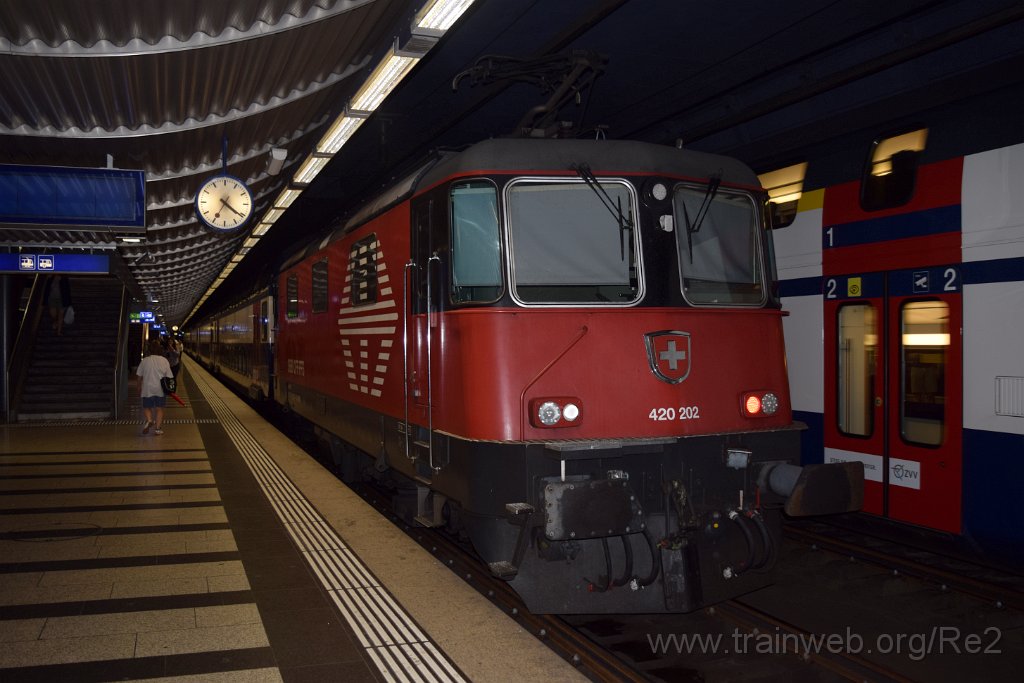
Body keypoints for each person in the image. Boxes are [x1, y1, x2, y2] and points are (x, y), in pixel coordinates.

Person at [137, 338, 173, 435]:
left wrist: (138, 386)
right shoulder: (164, 361)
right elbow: (169, 376)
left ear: (149, 350)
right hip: (160, 389)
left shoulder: (145, 361)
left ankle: (149, 420)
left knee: (147, 407)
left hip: (147, 388)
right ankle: (157, 429)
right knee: (159, 408)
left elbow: (139, 376)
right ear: (160, 350)